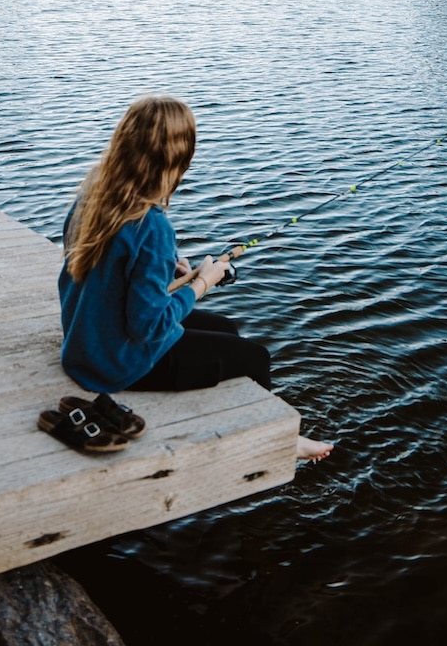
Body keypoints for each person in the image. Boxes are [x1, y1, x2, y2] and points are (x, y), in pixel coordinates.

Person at [58, 95, 333, 462]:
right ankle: (280, 442)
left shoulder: (91, 198)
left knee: (227, 330)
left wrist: (166, 267)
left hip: (83, 346)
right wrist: (202, 283)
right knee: (255, 358)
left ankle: (236, 418)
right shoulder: (152, 225)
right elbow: (149, 327)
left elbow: (106, 272)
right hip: (117, 365)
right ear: (176, 161)